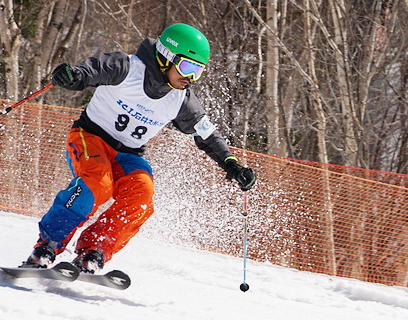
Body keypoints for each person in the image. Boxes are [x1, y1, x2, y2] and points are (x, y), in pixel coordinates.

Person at [23, 23, 256, 273]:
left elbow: (207, 134)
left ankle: (95, 249)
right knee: (97, 185)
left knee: (142, 197)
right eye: (188, 67)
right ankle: (48, 245)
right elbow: (92, 70)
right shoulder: (127, 68)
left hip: (129, 154)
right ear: (167, 56)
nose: (190, 77)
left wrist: (231, 163)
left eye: (198, 71)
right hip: (90, 137)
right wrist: (74, 76)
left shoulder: (181, 100)